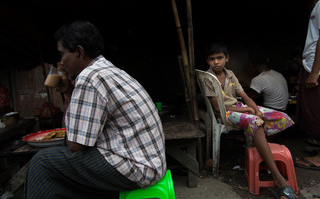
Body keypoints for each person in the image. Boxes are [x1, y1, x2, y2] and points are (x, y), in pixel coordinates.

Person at [24, 20, 167, 198]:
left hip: (137, 167)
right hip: (150, 162)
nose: (61, 62)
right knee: (60, 166)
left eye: (62, 55)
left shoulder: (89, 77)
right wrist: (69, 90)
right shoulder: (107, 70)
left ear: (79, 52)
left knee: (42, 163)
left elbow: (76, 144)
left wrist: (70, 90)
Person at [202, 42, 298, 199]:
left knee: (282, 117)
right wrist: (247, 110)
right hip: (225, 114)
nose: (216, 62)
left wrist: (258, 111)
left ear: (227, 58)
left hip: (239, 107)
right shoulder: (208, 78)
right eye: (212, 59)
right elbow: (219, 109)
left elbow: (246, 97)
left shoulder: (230, 74)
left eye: (219, 58)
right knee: (255, 122)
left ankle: (258, 147)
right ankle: (279, 180)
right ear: (207, 61)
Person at [294, 0, 320, 170]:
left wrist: (315, 72)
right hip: (311, 67)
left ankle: (319, 159)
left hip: (316, 70)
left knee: (317, 114)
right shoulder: (317, 5)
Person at [248, 47, 289, 111]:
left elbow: (249, 100)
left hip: (272, 112)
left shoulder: (258, 79)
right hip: (284, 110)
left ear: (250, 63)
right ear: (267, 59)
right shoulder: (278, 74)